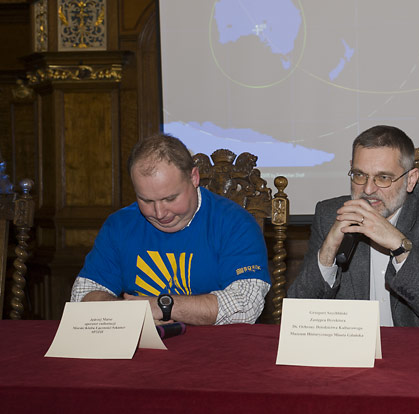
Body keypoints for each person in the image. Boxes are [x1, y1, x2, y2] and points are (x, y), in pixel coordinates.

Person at [70, 133, 270, 325]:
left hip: (217, 345)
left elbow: (246, 305)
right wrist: (128, 312)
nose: (159, 213)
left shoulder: (236, 224)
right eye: (146, 200)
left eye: (170, 198)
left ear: (194, 177)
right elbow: (82, 296)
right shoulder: (120, 225)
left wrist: (161, 306)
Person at [288, 125, 419, 329]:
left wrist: (399, 246)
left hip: (415, 345)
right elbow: (296, 318)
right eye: (359, 175)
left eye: (383, 178)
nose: (368, 189)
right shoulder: (330, 215)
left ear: (410, 180)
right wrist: (328, 252)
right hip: (351, 343)